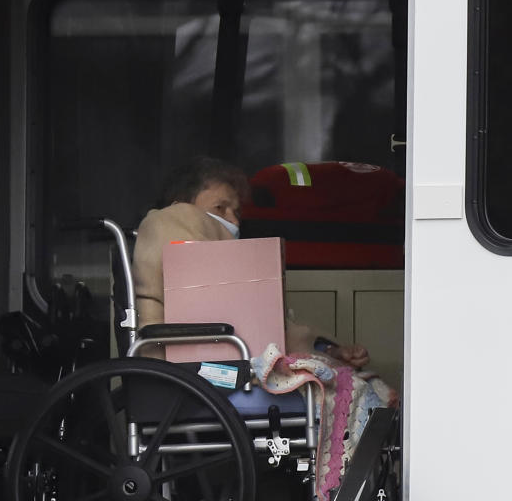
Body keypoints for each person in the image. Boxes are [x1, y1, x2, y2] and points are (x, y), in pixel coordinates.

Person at [132, 155, 369, 367]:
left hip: (222, 360)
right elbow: (240, 323)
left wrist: (327, 350)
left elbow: (263, 326)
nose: (233, 222)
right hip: (194, 370)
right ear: (180, 205)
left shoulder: (224, 270)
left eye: (237, 213)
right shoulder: (169, 222)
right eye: (220, 208)